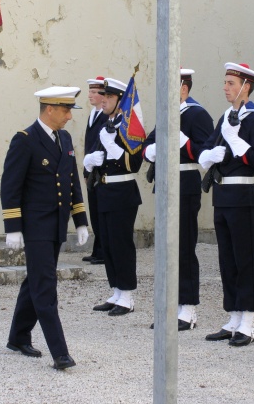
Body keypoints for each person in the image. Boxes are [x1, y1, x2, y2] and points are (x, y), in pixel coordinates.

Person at [0, 86, 89, 371]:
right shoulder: (25, 140)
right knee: (45, 286)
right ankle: (60, 352)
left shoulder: (64, 138)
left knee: (36, 281)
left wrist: (81, 219)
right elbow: (10, 186)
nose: (68, 117)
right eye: (65, 111)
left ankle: (18, 336)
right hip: (35, 225)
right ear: (49, 109)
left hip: (56, 225)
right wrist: (12, 227)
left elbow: (72, 181)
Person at [198, 62, 254, 346]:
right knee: (227, 260)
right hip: (222, 196)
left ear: (246, 86)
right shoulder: (225, 117)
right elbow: (207, 147)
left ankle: (248, 321)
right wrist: (211, 153)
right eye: (226, 82)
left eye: (231, 83)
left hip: (243, 196)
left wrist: (238, 146)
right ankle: (233, 316)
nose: (226, 88)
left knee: (245, 259)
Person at [142, 68, 214, 330]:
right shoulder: (167, 114)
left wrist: (183, 143)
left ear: (183, 89)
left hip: (185, 184)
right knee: (165, 249)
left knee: (183, 247)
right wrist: (153, 149)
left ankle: (187, 309)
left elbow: (205, 153)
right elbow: (147, 146)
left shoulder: (197, 114)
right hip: (164, 184)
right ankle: (168, 306)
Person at [84, 77, 144, 316]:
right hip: (104, 190)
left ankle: (127, 296)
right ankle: (116, 291)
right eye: (104, 96)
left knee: (121, 244)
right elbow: (97, 156)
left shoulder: (129, 127)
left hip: (122, 192)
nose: (104, 101)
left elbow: (135, 163)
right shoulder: (104, 124)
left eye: (109, 97)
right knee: (107, 243)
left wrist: (114, 148)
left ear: (120, 101)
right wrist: (89, 163)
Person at [82, 76, 109, 265]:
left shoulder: (107, 116)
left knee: (102, 211)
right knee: (94, 210)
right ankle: (97, 249)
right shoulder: (93, 114)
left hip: (101, 170)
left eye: (94, 92)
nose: (90, 95)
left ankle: (104, 251)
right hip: (91, 169)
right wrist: (86, 170)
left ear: (102, 95)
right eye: (90, 91)